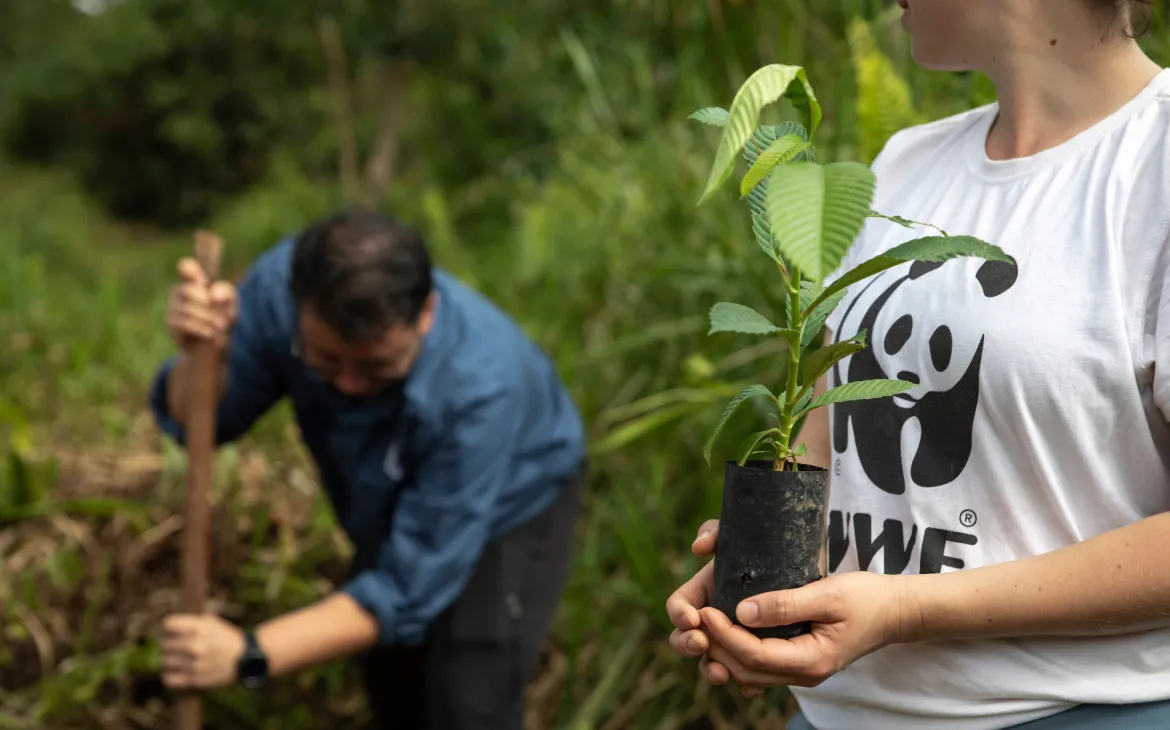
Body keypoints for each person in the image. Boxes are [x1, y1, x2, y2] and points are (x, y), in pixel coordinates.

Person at [667, 1, 1170, 728]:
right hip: (838, 711)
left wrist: (906, 608)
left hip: (1073, 710)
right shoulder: (906, 163)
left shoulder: (1153, 162)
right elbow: (827, 420)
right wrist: (762, 564)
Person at [149, 207, 587, 729]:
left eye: (375, 368)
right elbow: (202, 419)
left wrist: (249, 654)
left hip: (512, 501)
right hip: (391, 490)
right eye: (327, 362)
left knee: (467, 700)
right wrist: (206, 356)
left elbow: (406, 587)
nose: (349, 385)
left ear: (426, 312)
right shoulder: (276, 292)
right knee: (390, 676)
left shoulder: (480, 388)